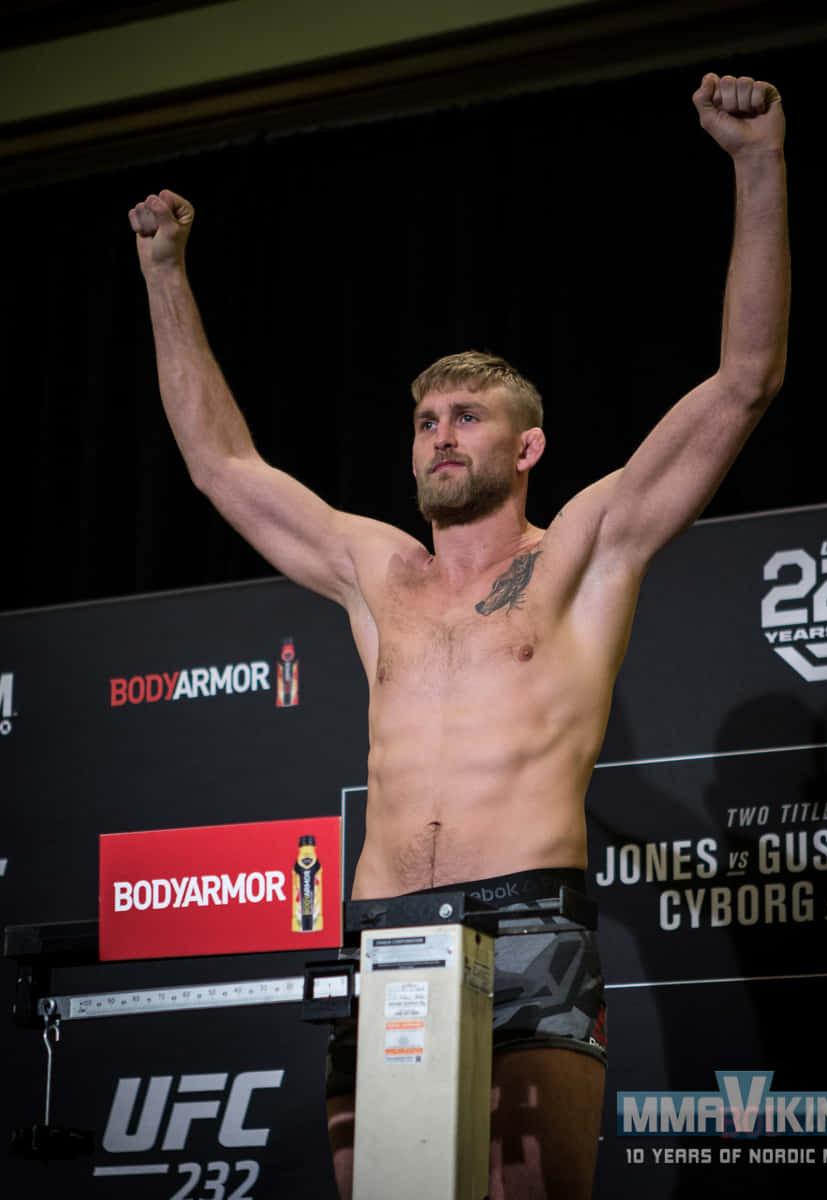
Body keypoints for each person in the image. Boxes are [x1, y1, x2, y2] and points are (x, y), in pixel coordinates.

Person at [129, 71, 789, 1200]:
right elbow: (218, 465)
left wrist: (757, 161)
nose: (440, 436)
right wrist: (162, 274)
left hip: (529, 921)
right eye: (426, 420)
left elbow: (742, 383)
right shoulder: (376, 570)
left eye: (467, 418)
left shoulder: (585, 551)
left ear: (526, 449)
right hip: (387, 929)